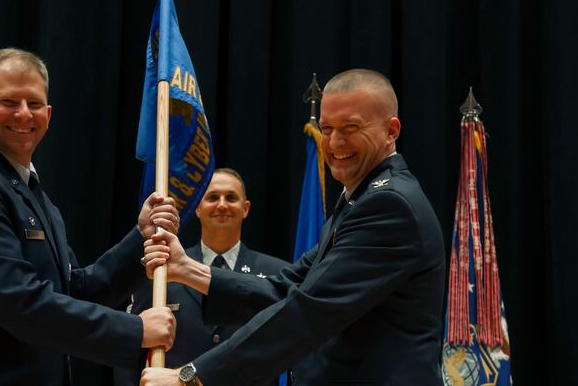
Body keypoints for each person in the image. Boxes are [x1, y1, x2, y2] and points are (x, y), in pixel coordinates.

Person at [141, 69, 445, 385]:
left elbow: (308, 310)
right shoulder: (360, 200)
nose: (334, 142)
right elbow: (285, 289)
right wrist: (188, 269)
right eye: (327, 128)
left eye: (350, 128)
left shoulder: (388, 205)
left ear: (391, 130)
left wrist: (190, 378)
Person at [0, 48, 178, 385]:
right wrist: (135, 330)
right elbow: (17, 302)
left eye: (35, 103)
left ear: (49, 113)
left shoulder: (32, 193)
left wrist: (142, 238)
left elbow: (73, 291)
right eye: (9, 102)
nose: (24, 114)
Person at [113, 168, 291, 386]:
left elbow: (295, 347)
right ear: (198, 207)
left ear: (245, 208)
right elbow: (131, 349)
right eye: (213, 197)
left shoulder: (276, 274)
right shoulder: (161, 268)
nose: (222, 205)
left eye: (231, 198)